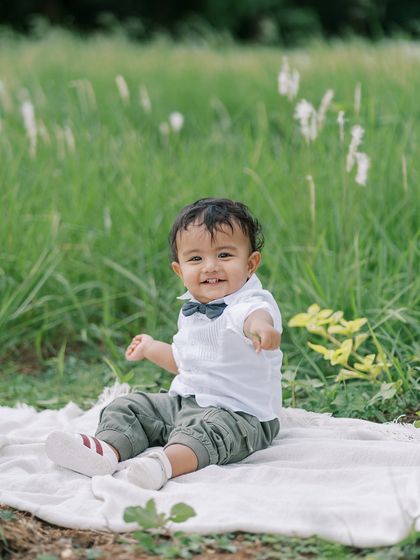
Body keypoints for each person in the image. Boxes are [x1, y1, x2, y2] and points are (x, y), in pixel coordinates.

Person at [46, 197, 283, 490]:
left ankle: (163, 464)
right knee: (128, 406)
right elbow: (183, 364)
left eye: (224, 255)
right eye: (196, 259)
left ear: (250, 264)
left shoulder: (248, 303)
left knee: (208, 434)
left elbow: (254, 317)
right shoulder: (192, 309)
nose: (210, 267)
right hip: (183, 403)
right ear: (179, 270)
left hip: (240, 415)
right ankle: (107, 450)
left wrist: (261, 329)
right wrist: (150, 347)